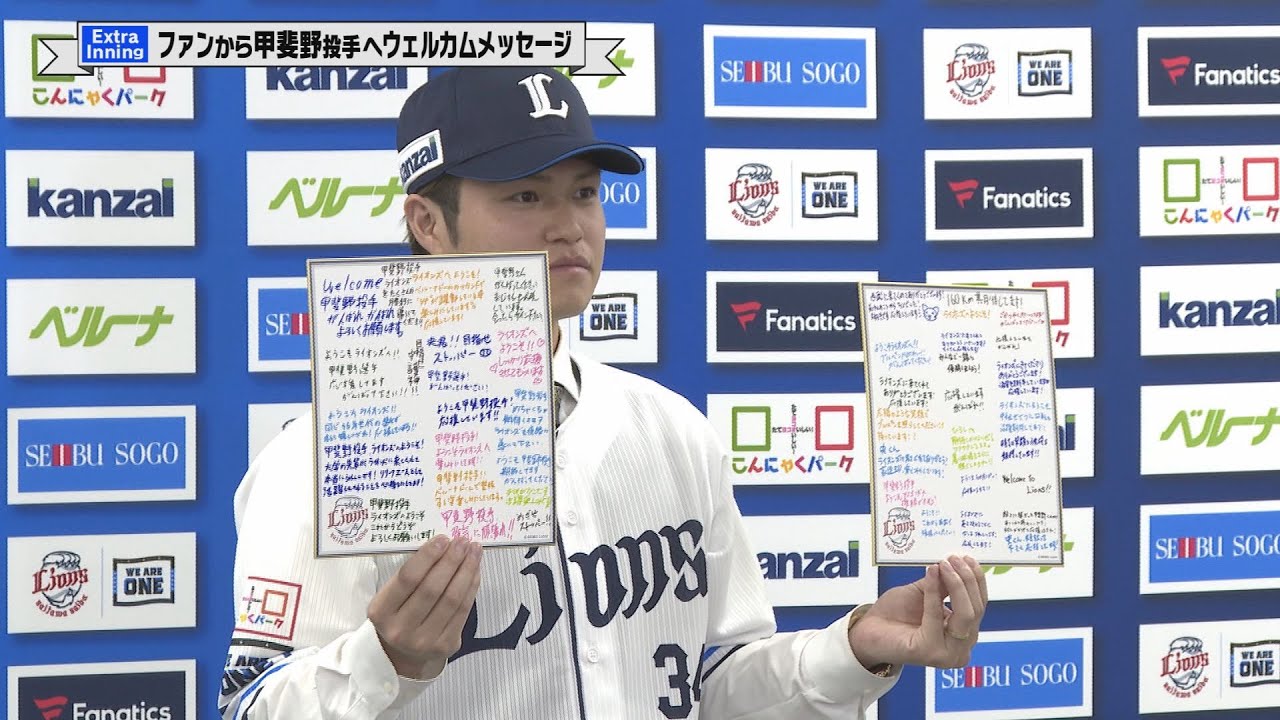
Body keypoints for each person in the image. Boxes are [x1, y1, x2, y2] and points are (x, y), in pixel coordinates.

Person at [218, 64, 988, 720]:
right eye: (527, 197)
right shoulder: (324, 457)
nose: (570, 227)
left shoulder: (671, 429)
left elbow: (709, 685)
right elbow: (252, 703)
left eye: (584, 194)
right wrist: (382, 660)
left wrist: (852, 649)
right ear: (427, 221)